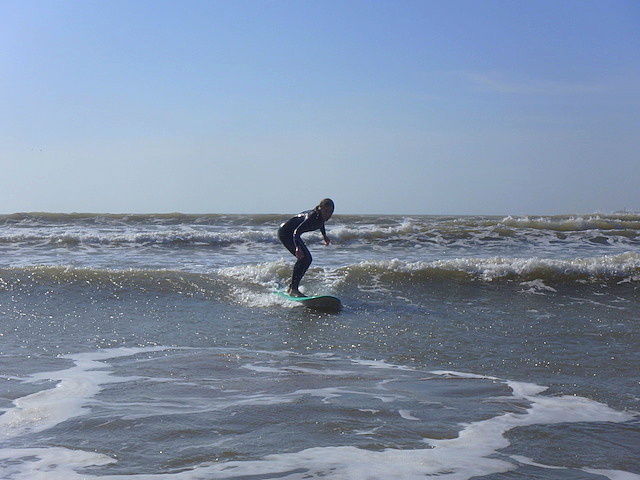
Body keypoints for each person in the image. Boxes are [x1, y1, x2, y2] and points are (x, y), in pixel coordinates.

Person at [278, 198, 334, 297]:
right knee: (304, 259)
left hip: (293, 234)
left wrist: (324, 236)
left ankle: (291, 288)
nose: (328, 214)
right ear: (320, 208)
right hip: (285, 233)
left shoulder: (320, 217)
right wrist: (298, 248)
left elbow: (321, 224)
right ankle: (293, 289)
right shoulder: (312, 216)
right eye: (326, 211)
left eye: (330, 212)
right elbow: (296, 232)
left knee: (306, 259)